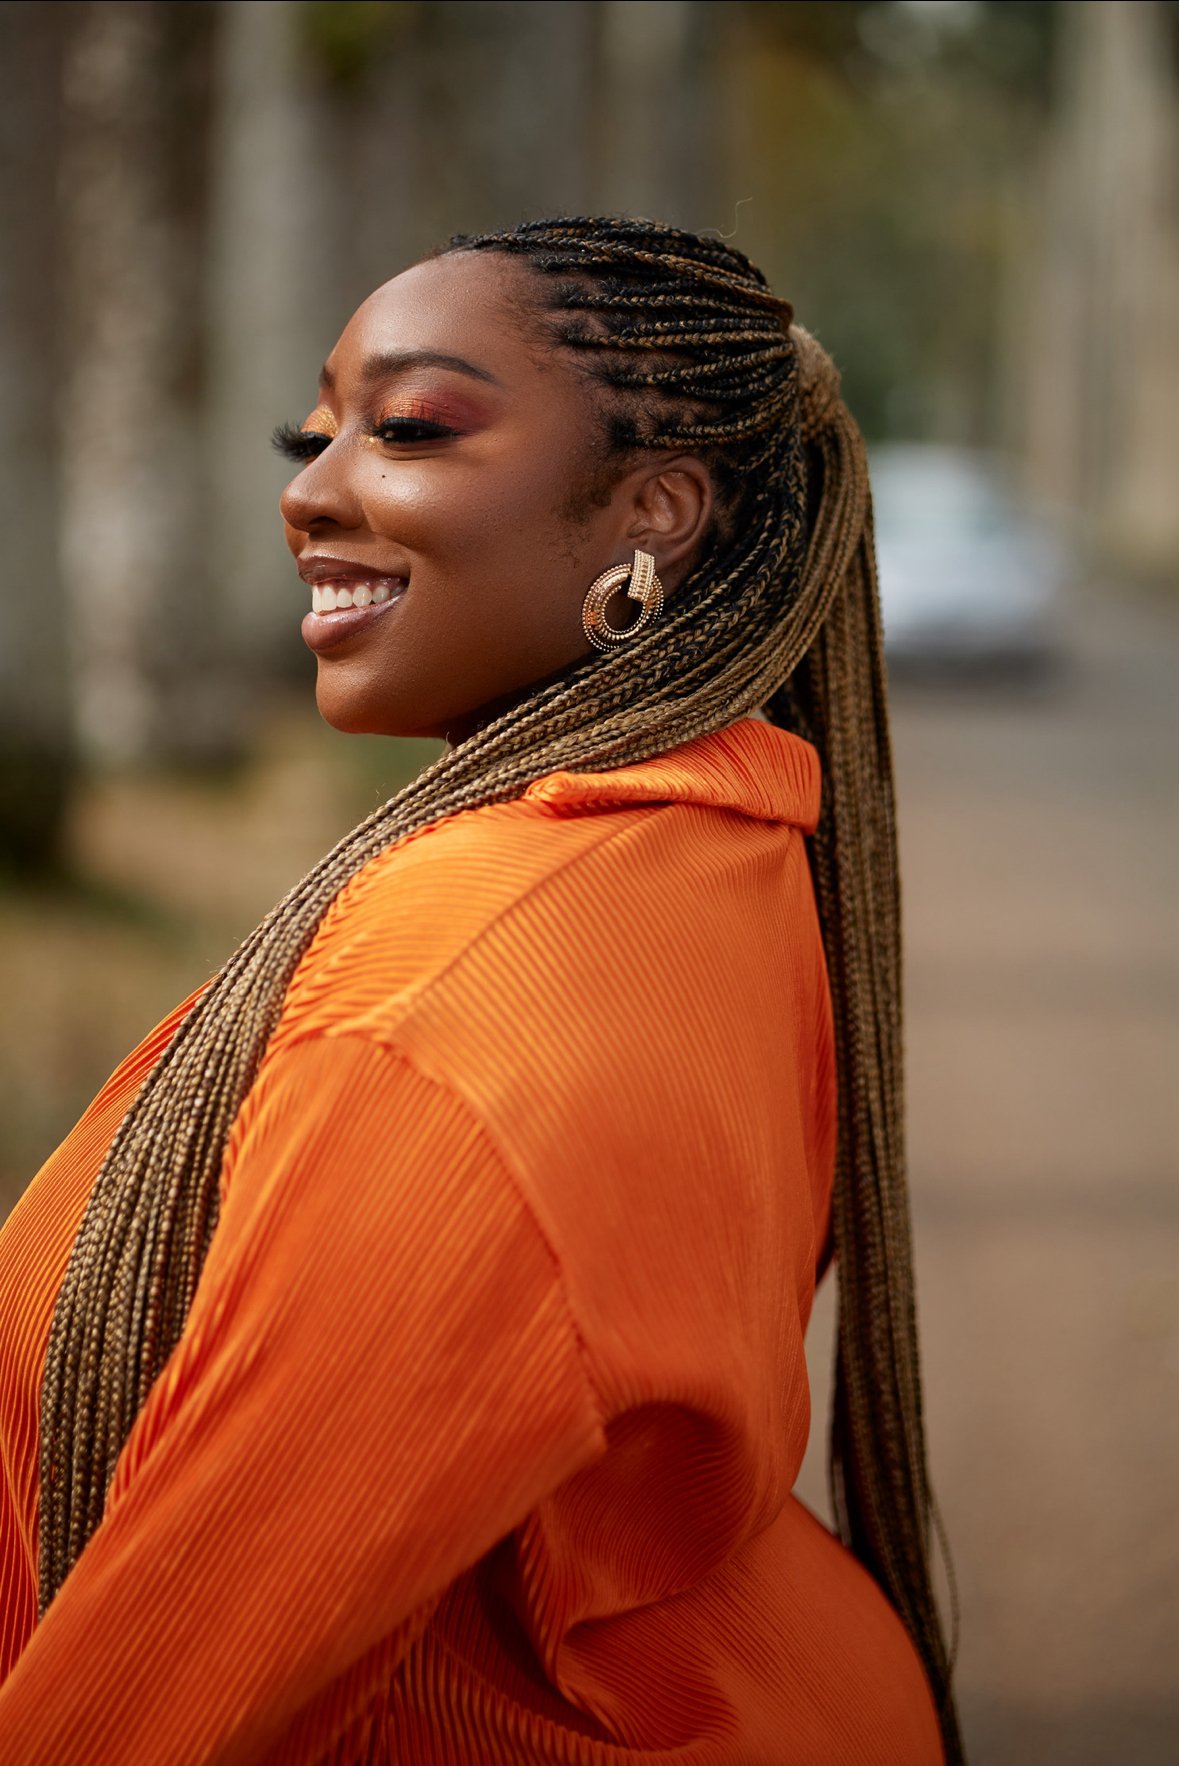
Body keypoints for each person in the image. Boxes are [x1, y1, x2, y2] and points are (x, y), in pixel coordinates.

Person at [0, 217, 964, 1763]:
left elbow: (164, 1696)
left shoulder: (456, 1010)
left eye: (411, 427)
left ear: (653, 511)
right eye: (309, 434)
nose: (309, 492)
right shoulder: (706, 842)